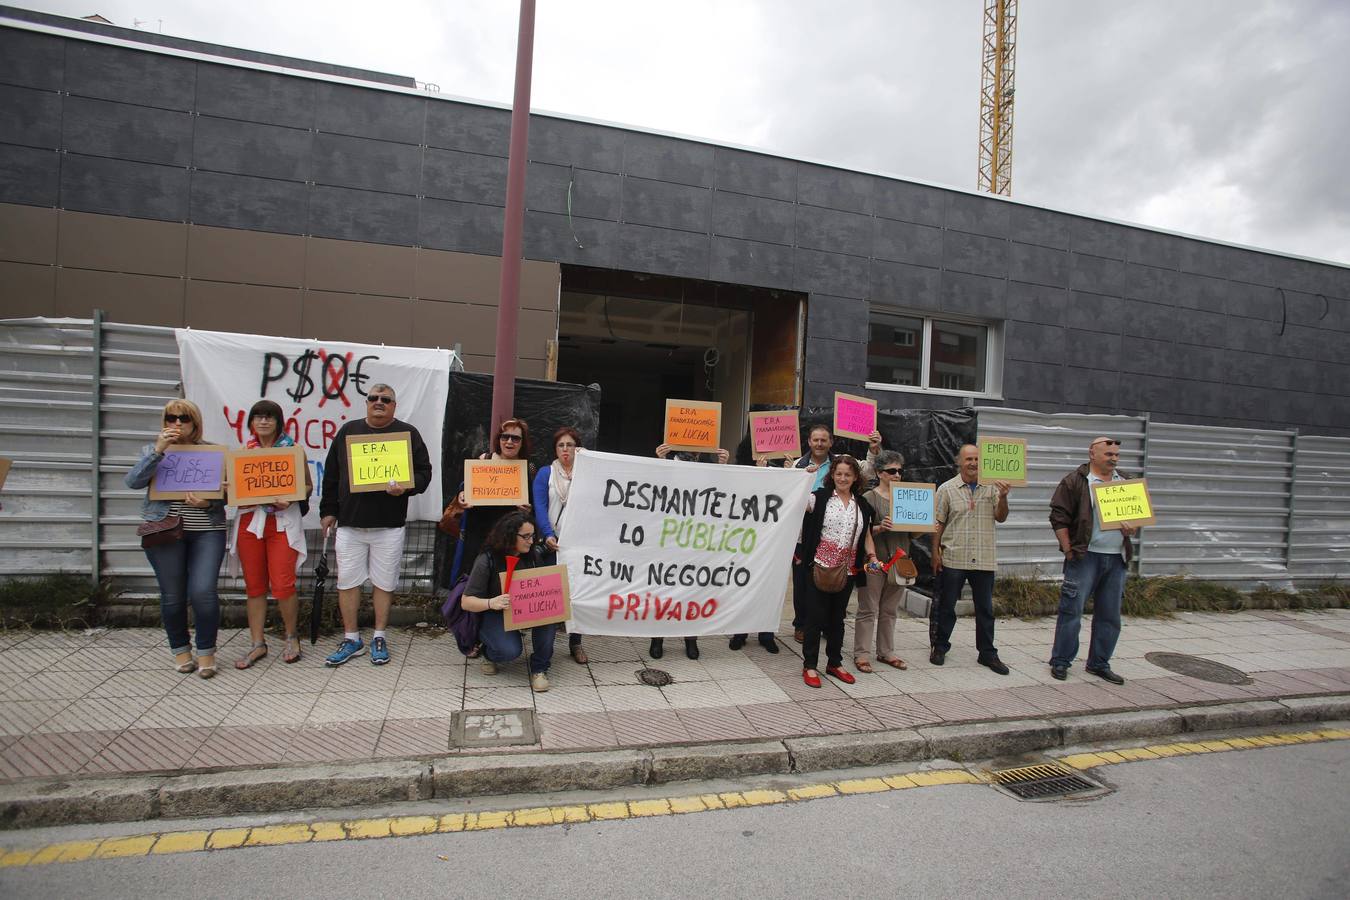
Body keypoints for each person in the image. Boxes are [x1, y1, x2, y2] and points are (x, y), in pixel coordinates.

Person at [320, 383, 433, 667]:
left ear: (394, 405)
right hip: (349, 524)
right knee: (347, 582)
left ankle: (379, 636)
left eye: (386, 399)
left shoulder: (408, 434)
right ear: (366, 403)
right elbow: (331, 475)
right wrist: (327, 511)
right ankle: (351, 637)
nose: (379, 402)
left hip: (389, 525)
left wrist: (406, 488)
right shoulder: (348, 431)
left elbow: (424, 473)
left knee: (384, 582)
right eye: (373, 398)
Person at [125, 399, 227, 678]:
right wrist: (158, 451)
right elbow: (132, 482)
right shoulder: (153, 451)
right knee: (172, 595)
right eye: (172, 418)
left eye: (184, 418)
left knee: (203, 592)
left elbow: (227, 496)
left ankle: (206, 652)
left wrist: (208, 504)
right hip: (165, 529)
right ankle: (181, 650)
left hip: (207, 529)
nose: (177, 424)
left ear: (195, 423)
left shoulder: (212, 453)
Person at [1047, 436, 1136, 684]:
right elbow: (1058, 517)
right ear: (1092, 454)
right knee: (1071, 611)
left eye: (1117, 455)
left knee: (1110, 615)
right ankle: (1061, 661)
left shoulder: (1126, 482)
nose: (1114, 459)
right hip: (1085, 557)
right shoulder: (1076, 482)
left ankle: (1099, 663)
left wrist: (1132, 529)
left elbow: (1136, 520)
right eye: (1109, 455)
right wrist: (1068, 550)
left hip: (1116, 558)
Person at [229, 400, 311, 669]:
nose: (263, 422)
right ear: (251, 422)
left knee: (283, 583)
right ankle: (257, 643)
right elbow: (233, 491)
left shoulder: (293, 451)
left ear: (279, 422)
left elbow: (307, 487)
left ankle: (291, 636)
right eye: (258, 417)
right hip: (250, 522)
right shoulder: (243, 454)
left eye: (269, 417)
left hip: (281, 523)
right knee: (254, 585)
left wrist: (292, 496)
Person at [447, 417, 535, 658]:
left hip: (508, 540)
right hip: (479, 534)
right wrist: (462, 496)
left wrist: (526, 509)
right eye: (505, 437)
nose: (509, 441)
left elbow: (534, 507)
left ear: (522, 442)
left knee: (501, 585)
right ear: (498, 440)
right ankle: (470, 634)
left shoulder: (527, 469)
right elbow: (464, 491)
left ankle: (494, 632)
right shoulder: (484, 460)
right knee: (475, 585)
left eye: (515, 438)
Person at [789, 424, 884, 641]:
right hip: (804, 533)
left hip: (833, 534)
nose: (820, 444)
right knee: (804, 582)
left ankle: (824, 624)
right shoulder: (798, 465)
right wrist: (799, 476)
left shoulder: (842, 461)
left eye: (824, 440)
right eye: (816, 440)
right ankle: (802, 624)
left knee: (835, 582)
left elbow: (868, 471)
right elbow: (792, 495)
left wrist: (874, 449)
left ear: (831, 442)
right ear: (809, 442)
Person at [799, 455, 884, 688]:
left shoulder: (862, 505)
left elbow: (866, 535)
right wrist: (803, 477)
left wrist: (873, 557)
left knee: (837, 620)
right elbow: (795, 500)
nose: (843, 478)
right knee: (815, 620)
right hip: (819, 567)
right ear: (832, 475)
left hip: (847, 571)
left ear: (855, 477)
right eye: (838, 474)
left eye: (847, 474)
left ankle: (834, 663)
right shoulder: (819, 498)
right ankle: (810, 665)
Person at [930, 444, 1012, 674]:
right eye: (968, 459)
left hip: (984, 557)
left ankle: (987, 653)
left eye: (977, 459)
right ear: (959, 462)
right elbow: (938, 523)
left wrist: (1004, 497)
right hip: (954, 556)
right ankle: (940, 646)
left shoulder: (993, 488)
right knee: (947, 606)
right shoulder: (947, 489)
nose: (973, 463)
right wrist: (935, 552)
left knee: (985, 608)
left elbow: (1001, 517)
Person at [649, 442, 730, 660]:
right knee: (664, 587)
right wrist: (661, 463)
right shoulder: (671, 461)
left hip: (697, 538)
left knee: (694, 588)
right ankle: (657, 637)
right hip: (670, 536)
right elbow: (656, 489)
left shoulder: (711, 465)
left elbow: (721, 496)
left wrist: (723, 468)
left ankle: (690, 638)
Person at [461, 511, 556, 692]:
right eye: (525, 536)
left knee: (549, 616)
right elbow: (466, 602)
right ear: (510, 535)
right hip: (495, 612)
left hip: (526, 610)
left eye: (533, 536)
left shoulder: (533, 555)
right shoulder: (486, 559)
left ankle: (540, 668)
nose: (531, 541)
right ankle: (489, 652)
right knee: (509, 651)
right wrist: (491, 603)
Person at [855, 449, 914, 673]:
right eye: (892, 471)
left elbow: (914, 534)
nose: (897, 475)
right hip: (875, 561)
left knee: (890, 609)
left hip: (900, 561)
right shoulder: (869, 498)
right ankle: (861, 654)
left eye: (899, 471)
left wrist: (926, 527)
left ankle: (886, 651)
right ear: (879, 473)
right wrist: (880, 527)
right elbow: (861, 531)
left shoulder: (907, 496)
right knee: (868, 608)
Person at [533, 426, 586, 664]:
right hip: (552, 543)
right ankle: (547, 645)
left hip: (576, 545)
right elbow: (540, 506)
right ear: (555, 449)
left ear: (578, 448)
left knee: (576, 594)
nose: (566, 450)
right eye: (561, 445)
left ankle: (576, 642)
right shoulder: (546, 473)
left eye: (570, 445)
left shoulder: (587, 474)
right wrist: (546, 534)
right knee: (551, 594)